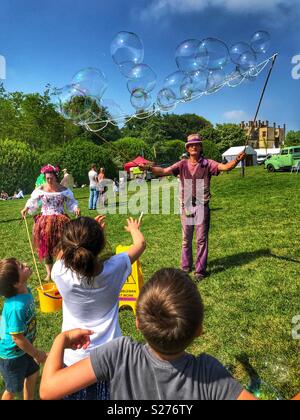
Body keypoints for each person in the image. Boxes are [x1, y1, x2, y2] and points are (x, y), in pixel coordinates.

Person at [40, 268, 256, 400]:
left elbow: (48, 390)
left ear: (137, 323)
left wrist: (62, 339)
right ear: (199, 330)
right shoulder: (208, 373)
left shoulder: (119, 354)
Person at [50, 216, 146, 400]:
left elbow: (62, 254)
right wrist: (133, 228)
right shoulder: (116, 267)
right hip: (110, 359)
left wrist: (79, 238)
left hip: (72, 362)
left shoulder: (59, 272)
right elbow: (140, 243)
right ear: (101, 244)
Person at [139, 134, 246, 282]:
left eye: (196, 144)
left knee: (201, 240)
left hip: (202, 206)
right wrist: (148, 167)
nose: (193, 147)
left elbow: (225, 167)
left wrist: (236, 160)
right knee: (186, 239)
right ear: (187, 149)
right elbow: (163, 171)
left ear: (201, 147)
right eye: (190, 145)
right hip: (187, 206)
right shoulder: (182, 164)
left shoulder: (208, 164)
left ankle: (200, 271)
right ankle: (186, 268)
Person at [21, 165, 81, 282]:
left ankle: (64, 269)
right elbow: (32, 201)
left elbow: (71, 203)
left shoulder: (63, 190)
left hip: (61, 220)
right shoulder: (41, 189)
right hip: (44, 222)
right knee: (46, 247)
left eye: (51, 178)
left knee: (63, 245)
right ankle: (49, 273)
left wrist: (76, 208)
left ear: (55, 177)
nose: (49, 180)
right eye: (47, 178)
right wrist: (26, 208)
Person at [0, 259, 47, 400]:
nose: (26, 264)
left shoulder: (25, 290)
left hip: (24, 349)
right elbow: (17, 337)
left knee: (32, 374)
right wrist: (36, 353)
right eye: (21, 267)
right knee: (13, 389)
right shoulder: (16, 307)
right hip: (12, 356)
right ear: (16, 283)